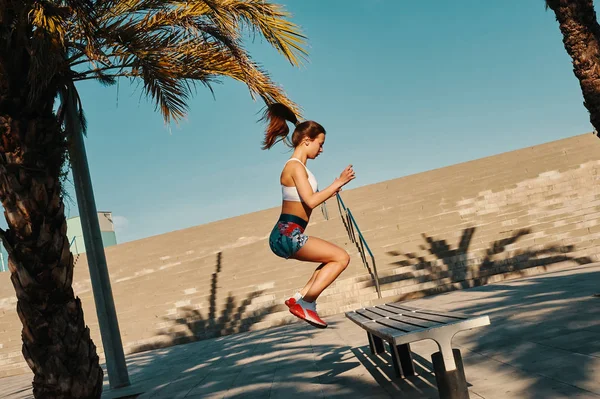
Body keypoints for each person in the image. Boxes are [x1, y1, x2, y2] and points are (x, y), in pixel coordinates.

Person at [261, 103, 356, 328]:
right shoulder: (295, 167)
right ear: (307, 141)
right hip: (287, 233)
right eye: (320, 144)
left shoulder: (299, 168)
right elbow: (311, 201)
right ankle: (307, 302)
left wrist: (331, 191)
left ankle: (299, 297)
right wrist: (337, 183)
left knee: (330, 258)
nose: (321, 149)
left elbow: (307, 200)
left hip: (288, 232)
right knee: (341, 258)